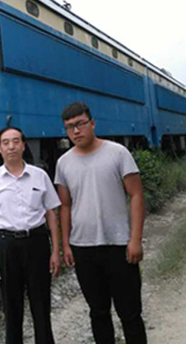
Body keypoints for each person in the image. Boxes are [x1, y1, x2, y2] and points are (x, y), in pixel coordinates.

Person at [55, 102, 147, 344]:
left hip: (119, 246)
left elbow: (136, 195)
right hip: (83, 248)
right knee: (98, 312)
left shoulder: (118, 153)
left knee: (130, 314)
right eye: (69, 127)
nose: (76, 131)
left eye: (80, 124)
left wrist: (135, 240)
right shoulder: (63, 163)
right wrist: (66, 244)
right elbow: (64, 206)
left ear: (92, 123)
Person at [0, 127, 61, 344]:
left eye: (16, 141)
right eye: (6, 142)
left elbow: (51, 214)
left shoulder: (40, 176)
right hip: (6, 246)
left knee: (41, 305)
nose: (11, 146)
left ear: (23, 145)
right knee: (11, 307)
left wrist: (56, 252)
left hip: (36, 243)